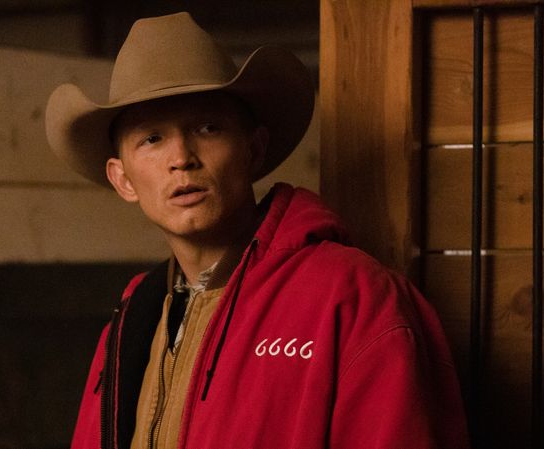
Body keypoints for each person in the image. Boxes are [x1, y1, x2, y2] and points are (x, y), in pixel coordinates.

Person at [45, 11, 469, 449]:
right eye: (152, 138)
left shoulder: (352, 297)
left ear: (254, 149)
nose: (182, 158)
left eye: (207, 128)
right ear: (123, 180)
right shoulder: (131, 320)